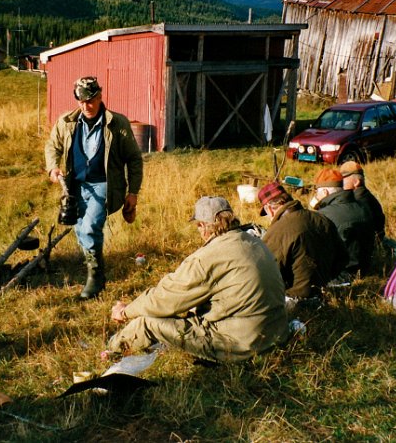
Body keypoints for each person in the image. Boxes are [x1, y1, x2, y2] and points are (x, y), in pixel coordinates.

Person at [107, 196, 288, 362]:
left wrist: (126, 311)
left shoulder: (207, 258)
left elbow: (165, 298)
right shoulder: (255, 242)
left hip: (241, 345)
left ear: (202, 225)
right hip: (276, 334)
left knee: (145, 323)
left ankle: (110, 351)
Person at [45, 76, 144, 299]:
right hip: (76, 186)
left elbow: (134, 159)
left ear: (100, 97)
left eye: (90, 100)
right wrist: (53, 168)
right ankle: (97, 271)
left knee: (90, 227)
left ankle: (95, 278)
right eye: (81, 101)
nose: (86, 106)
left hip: (104, 185)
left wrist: (133, 193)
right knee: (80, 229)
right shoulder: (67, 122)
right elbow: (53, 145)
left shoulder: (117, 123)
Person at [257, 182, 348, 304]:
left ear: (269, 208)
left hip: (295, 299)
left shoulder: (276, 232)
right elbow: (343, 258)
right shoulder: (322, 218)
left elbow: (265, 274)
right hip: (325, 294)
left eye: (266, 214)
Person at [311, 168, 375, 276]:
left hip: (340, 275)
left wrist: (314, 206)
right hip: (365, 269)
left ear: (324, 192)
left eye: (317, 192)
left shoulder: (323, 215)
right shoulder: (363, 207)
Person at [340, 161, 386, 242]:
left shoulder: (359, 201)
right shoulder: (364, 196)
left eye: (344, 180)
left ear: (356, 182)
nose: (340, 184)